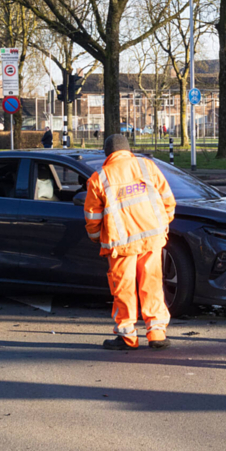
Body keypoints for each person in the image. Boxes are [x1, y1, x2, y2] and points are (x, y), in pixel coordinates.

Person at [84, 135, 177, 350]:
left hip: (121, 244)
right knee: (152, 284)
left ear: (107, 153)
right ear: (128, 150)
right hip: (152, 238)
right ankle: (157, 334)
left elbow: (92, 218)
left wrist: (97, 238)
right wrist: (163, 224)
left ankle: (127, 336)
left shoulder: (100, 177)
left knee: (123, 288)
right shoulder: (147, 167)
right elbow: (168, 200)